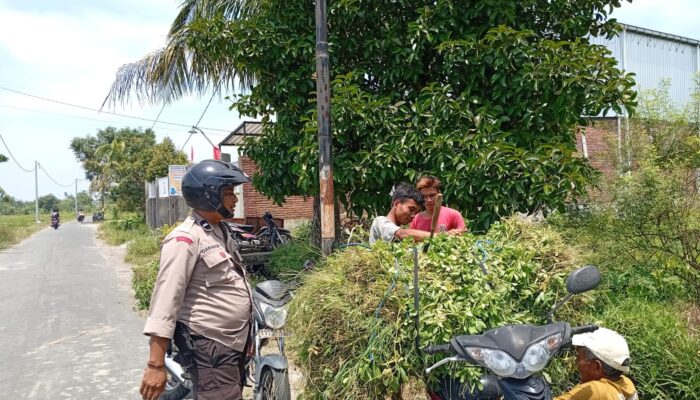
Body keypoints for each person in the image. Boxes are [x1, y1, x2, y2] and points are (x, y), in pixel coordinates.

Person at [139, 160, 253, 400]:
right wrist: (155, 365)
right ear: (209, 195)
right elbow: (165, 302)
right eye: (229, 193)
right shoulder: (185, 240)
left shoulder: (219, 231)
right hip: (210, 346)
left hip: (230, 344)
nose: (235, 199)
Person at [555, 328, 638, 400]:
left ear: (596, 366)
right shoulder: (626, 383)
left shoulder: (595, 390)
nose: (576, 361)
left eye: (579, 357)